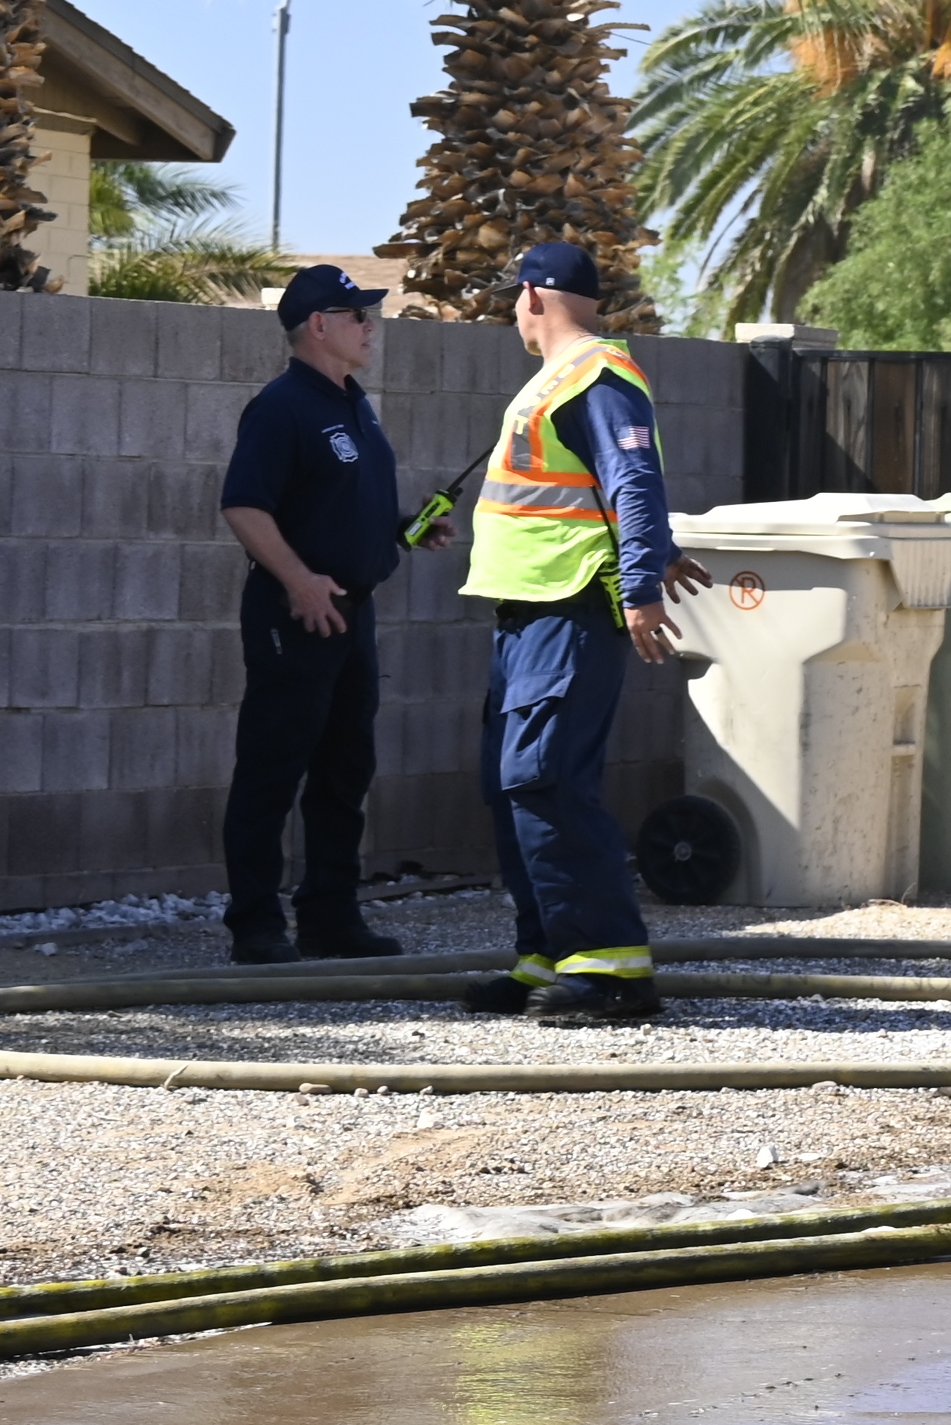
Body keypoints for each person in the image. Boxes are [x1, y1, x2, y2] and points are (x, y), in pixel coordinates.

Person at [457, 242, 708, 1025]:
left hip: (568, 607)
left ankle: (611, 971)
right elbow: (596, 485)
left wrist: (641, 586)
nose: (513, 313)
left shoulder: (592, 374)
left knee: (547, 781)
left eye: (514, 299)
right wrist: (657, 551)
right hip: (531, 610)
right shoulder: (564, 377)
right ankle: (550, 957)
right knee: (514, 786)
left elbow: (634, 479)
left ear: (534, 296)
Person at [217, 264, 446, 966]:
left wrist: (406, 529)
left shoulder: (355, 403)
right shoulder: (282, 406)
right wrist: (299, 581)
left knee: (345, 770)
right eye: (357, 316)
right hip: (298, 614)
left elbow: (337, 506)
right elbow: (244, 506)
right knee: (273, 767)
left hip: (354, 612)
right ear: (318, 325)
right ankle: (255, 925)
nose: (370, 327)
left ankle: (330, 916)